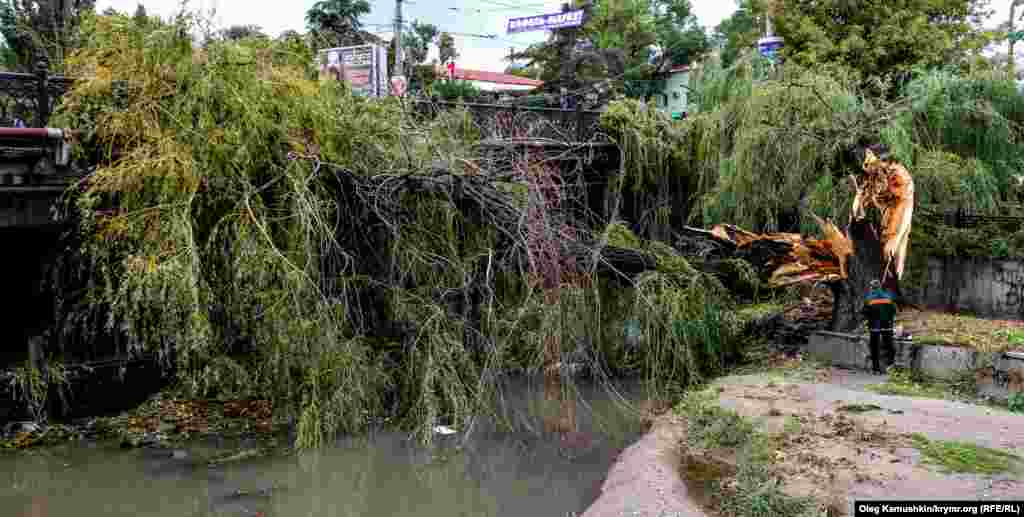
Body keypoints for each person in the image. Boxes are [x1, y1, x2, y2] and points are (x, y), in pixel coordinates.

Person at [862, 279, 897, 374]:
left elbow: (864, 312)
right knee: (889, 345)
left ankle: (876, 369)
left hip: (874, 326)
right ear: (880, 287)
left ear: (871, 288)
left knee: (874, 347)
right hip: (887, 325)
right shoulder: (888, 297)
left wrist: (869, 319)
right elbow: (893, 311)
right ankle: (890, 365)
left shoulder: (869, 298)